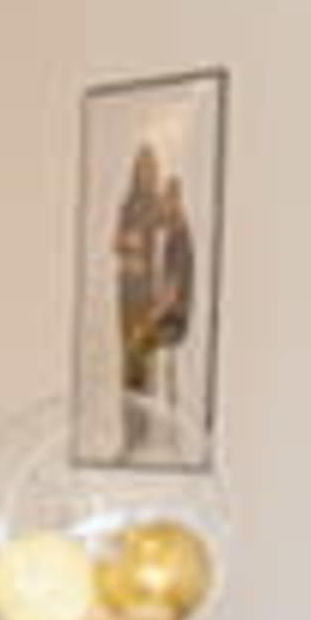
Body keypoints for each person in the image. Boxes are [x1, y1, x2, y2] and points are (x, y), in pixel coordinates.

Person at [112, 143, 195, 451]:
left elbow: (173, 285)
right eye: (142, 167)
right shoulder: (130, 204)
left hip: (156, 303)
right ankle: (134, 429)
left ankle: (144, 427)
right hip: (131, 292)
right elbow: (118, 242)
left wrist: (155, 310)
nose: (147, 173)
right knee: (132, 354)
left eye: (152, 167)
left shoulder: (167, 220)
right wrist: (128, 245)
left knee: (138, 351)